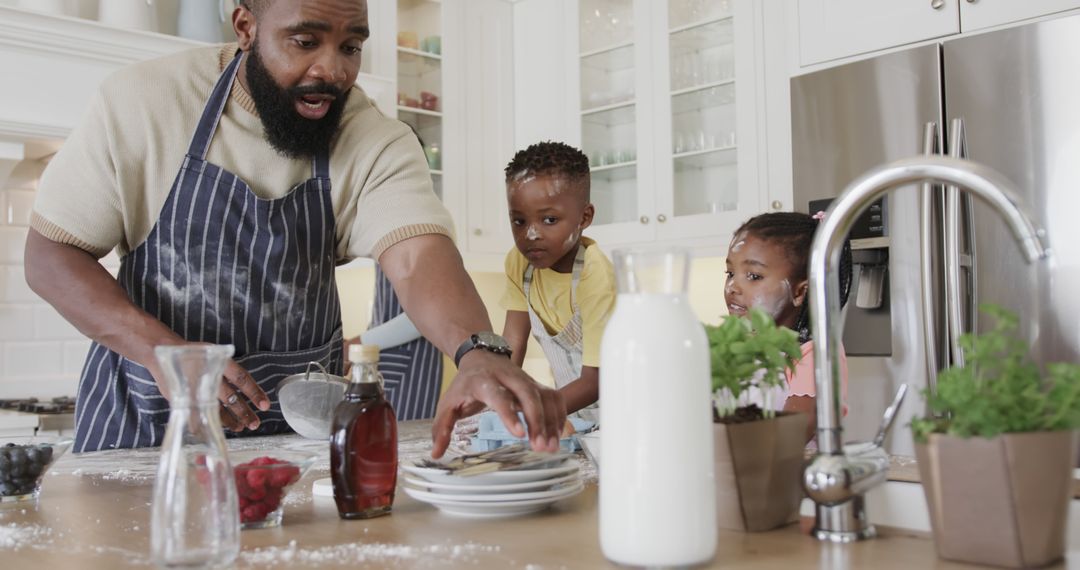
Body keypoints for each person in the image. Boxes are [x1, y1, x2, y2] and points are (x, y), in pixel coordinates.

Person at [23, 0, 564, 456]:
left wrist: (478, 353)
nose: (333, 70)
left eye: (351, 46)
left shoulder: (373, 139)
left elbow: (418, 256)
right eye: (306, 41)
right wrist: (165, 352)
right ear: (245, 27)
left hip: (299, 449)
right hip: (137, 437)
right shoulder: (143, 103)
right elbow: (50, 255)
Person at [499, 141, 616, 424]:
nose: (531, 234)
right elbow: (513, 344)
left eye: (549, 219)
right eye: (519, 221)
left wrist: (534, 412)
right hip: (575, 417)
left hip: (623, 413)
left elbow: (595, 380)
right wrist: (498, 401)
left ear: (584, 217)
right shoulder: (519, 263)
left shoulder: (596, 274)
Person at [723, 211, 853, 443]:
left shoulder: (814, 353)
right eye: (730, 273)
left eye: (753, 276)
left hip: (789, 475)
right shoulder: (738, 349)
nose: (732, 286)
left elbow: (789, 435)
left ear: (799, 292)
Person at [343, 264, 443, 421]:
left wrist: (356, 344)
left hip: (410, 370)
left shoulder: (417, 242)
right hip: (388, 365)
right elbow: (383, 313)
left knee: (401, 439)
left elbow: (425, 314)